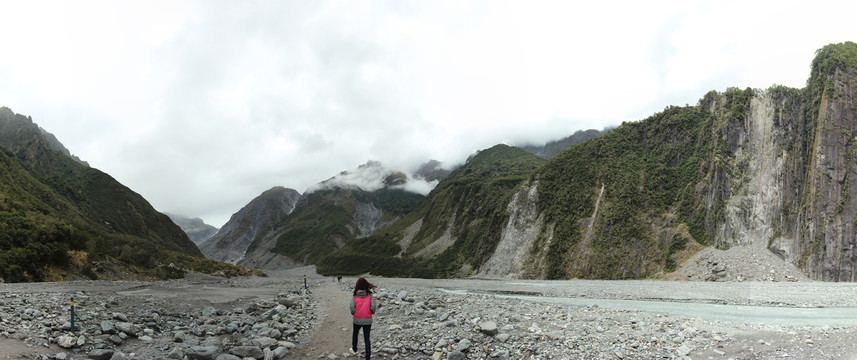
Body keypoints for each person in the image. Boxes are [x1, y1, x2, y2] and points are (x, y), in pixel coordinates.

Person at [349, 277, 376, 359]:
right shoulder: (370, 295)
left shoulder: (354, 295)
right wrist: (370, 312)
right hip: (367, 319)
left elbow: (352, 307)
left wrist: (354, 313)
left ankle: (354, 348)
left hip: (357, 319)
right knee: (367, 339)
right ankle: (368, 357)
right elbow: (373, 307)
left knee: (355, 333)